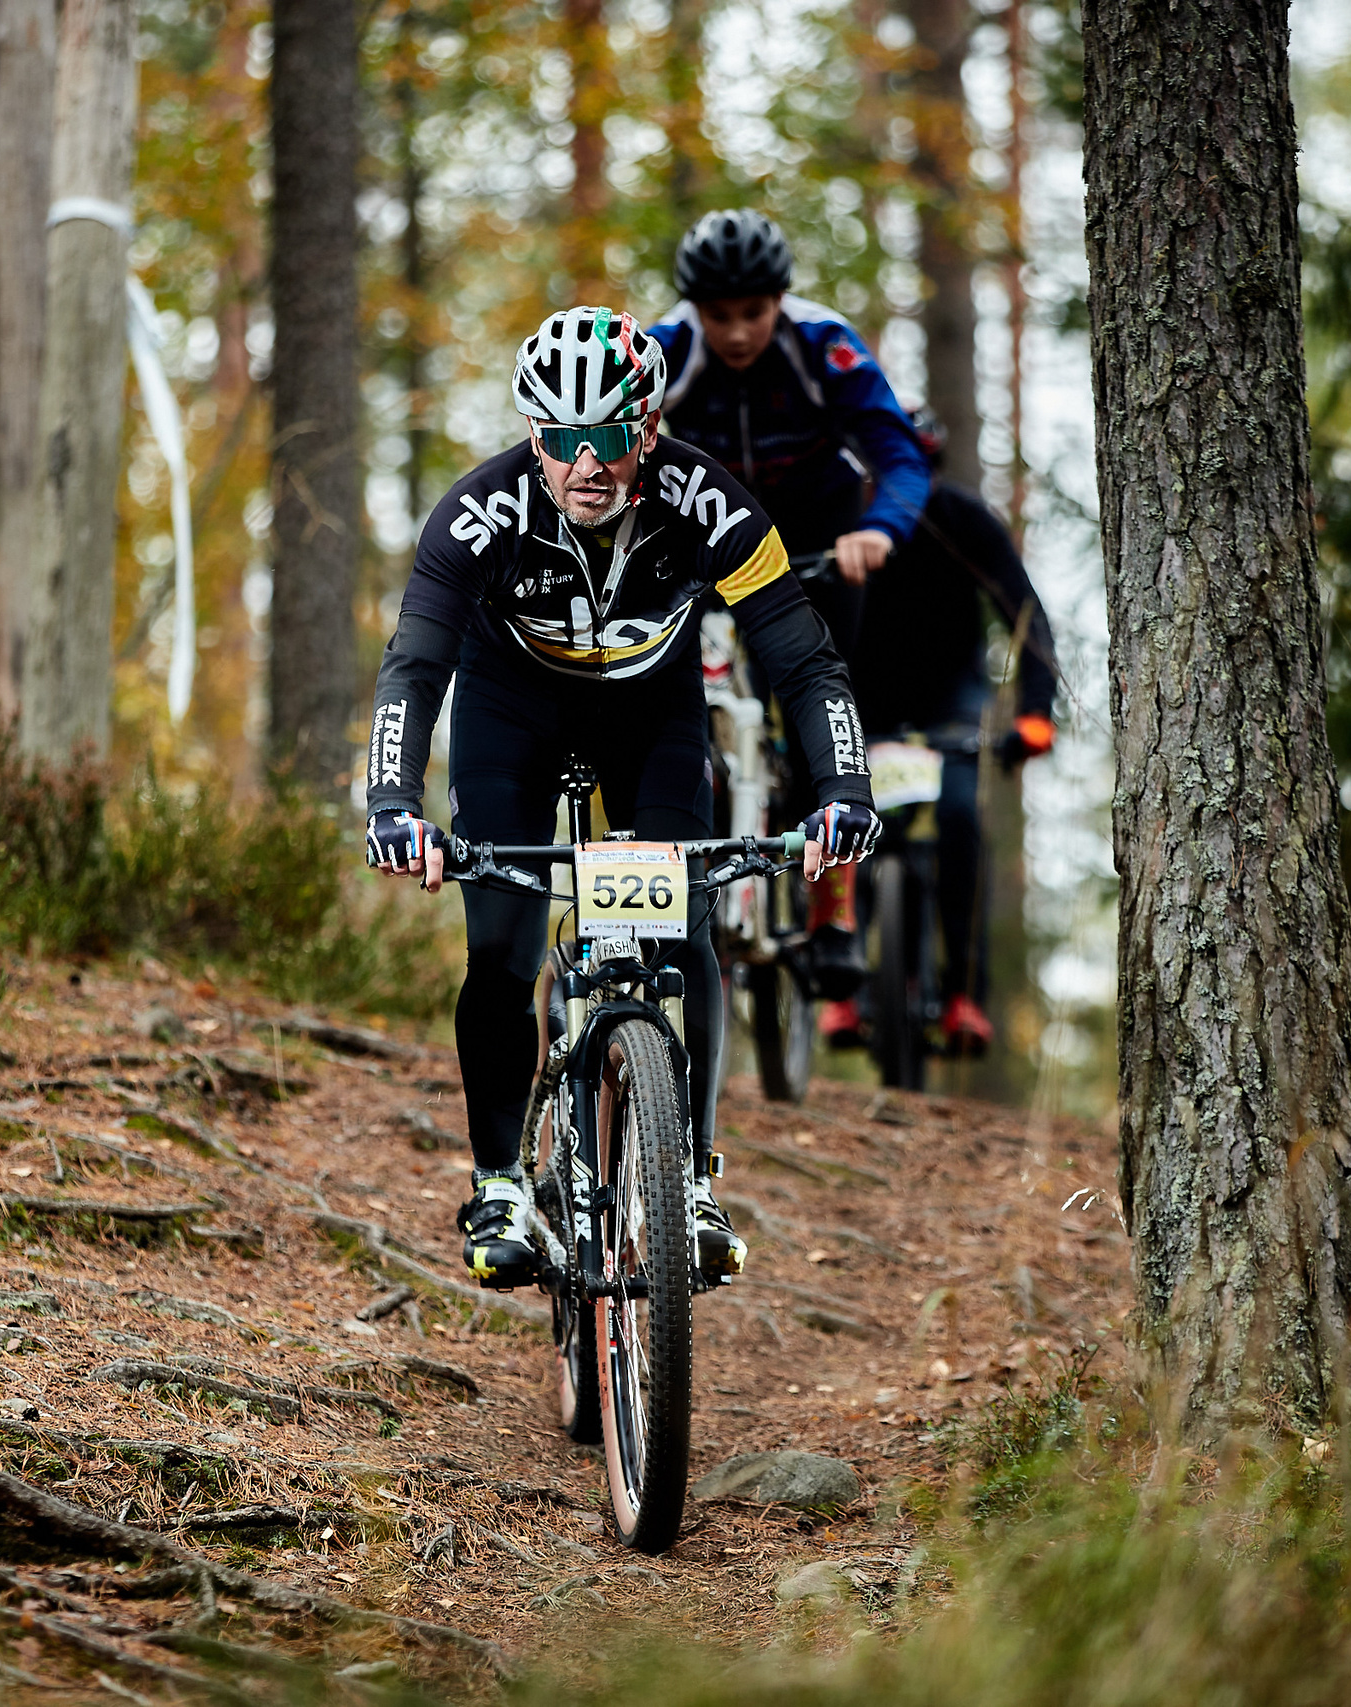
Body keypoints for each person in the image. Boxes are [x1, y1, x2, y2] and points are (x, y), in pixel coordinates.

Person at [363, 305, 882, 1289]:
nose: (583, 467)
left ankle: (687, 1177)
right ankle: (500, 1179)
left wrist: (842, 788)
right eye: (559, 441)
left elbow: (804, 660)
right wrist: (392, 802)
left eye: (607, 438)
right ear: (533, 435)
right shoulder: (481, 511)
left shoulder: (708, 499)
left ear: (647, 429)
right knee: (502, 946)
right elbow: (414, 666)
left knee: (684, 926)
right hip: (510, 710)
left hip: (651, 713)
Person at [647, 210, 934, 1002]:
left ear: (780, 300)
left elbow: (900, 454)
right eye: (719, 316)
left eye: (754, 313)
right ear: (693, 310)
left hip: (816, 539)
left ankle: (832, 909)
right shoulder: (661, 350)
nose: (737, 333)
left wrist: (877, 530)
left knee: (816, 706)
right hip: (708, 533)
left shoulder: (824, 344)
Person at [843, 473, 1061, 1055]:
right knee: (840, 820)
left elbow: (1025, 613)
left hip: (954, 702)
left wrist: (1036, 712)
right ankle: (840, 969)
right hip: (863, 701)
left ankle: (965, 992)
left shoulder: (964, 519)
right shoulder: (843, 511)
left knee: (961, 816)